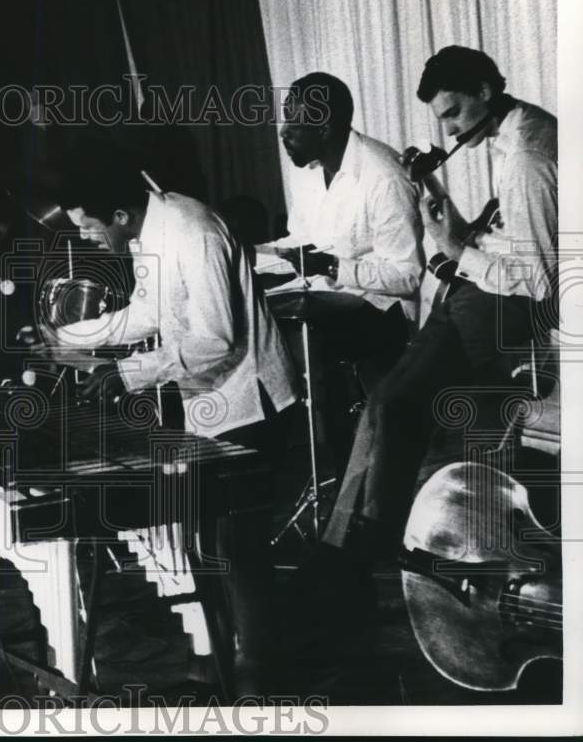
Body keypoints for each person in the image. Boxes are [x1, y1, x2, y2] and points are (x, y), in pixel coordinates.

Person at [295, 47, 557, 652]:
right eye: (441, 117)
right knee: (398, 412)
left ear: (488, 92)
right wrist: (451, 228)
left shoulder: (525, 157)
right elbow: (510, 243)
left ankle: (356, 563)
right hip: (475, 296)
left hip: (499, 311)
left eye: (455, 111)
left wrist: (452, 253)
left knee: (394, 407)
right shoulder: (518, 128)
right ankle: (366, 560)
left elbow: (543, 283)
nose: (450, 128)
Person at [45, 137, 299, 695]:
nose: (87, 238)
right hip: (209, 404)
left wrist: (128, 375)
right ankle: (216, 656)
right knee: (205, 544)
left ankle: (256, 671)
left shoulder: (193, 230)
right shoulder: (146, 230)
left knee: (236, 546)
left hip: (249, 401)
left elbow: (216, 338)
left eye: (89, 228)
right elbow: (149, 311)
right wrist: (68, 337)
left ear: (118, 214)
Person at [262, 72, 423, 389]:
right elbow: (301, 241)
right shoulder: (306, 173)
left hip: (380, 312)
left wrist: (334, 267)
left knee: (283, 344)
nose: (282, 133)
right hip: (322, 297)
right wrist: (250, 255)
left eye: (293, 125)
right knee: (254, 321)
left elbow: (408, 276)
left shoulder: (384, 176)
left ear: (322, 129)